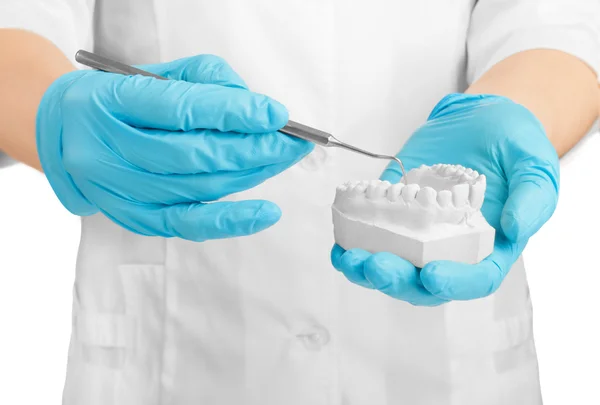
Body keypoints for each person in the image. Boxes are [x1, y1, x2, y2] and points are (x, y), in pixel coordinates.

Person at [0, 1, 598, 404]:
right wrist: (55, 116)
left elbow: (559, 22)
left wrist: (514, 112)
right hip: (176, 363)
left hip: (445, 371)